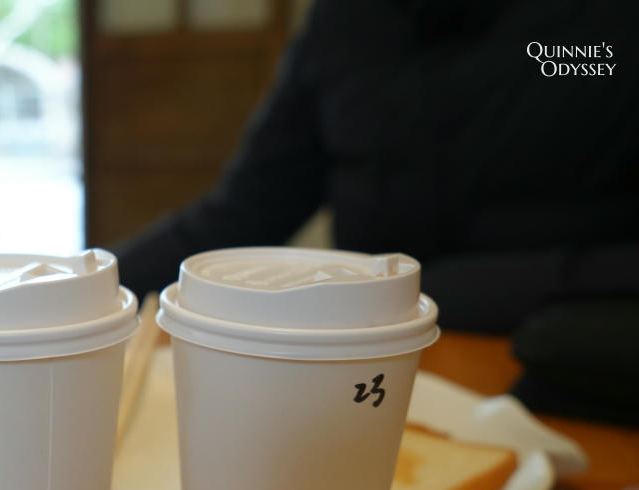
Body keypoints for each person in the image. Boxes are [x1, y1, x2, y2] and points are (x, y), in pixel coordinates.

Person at [114, 0, 639, 424]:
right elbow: (245, 211)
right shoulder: (347, 22)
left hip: (556, 378)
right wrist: (95, 285)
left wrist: (442, 288)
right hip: (357, 380)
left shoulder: (595, 36)